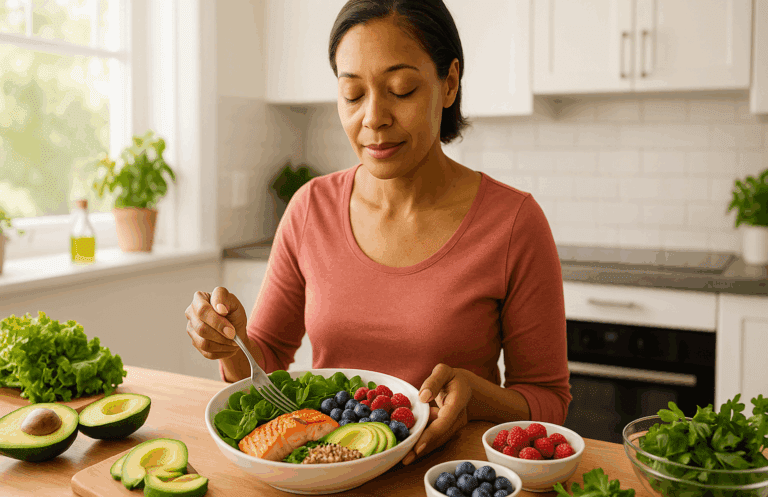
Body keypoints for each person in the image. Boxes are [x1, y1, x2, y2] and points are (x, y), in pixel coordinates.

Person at [185, 0, 571, 466]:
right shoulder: (311, 207)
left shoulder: (513, 223)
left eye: (401, 89)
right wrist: (233, 343)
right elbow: (265, 361)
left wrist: (478, 399)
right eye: (352, 94)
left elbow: (548, 400)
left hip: (445, 481)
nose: (373, 118)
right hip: (324, 475)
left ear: (448, 83)